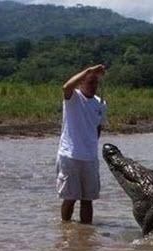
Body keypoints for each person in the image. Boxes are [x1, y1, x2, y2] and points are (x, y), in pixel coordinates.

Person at [56, 64, 107, 223]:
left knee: (88, 200)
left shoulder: (101, 103)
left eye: (95, 83)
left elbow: (98, 128)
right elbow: (66, 87)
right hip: (70, 155)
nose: (93, 86)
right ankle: (65, 228)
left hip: (90, 157)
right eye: (90, 82)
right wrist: (90, 70)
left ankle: (85, 235)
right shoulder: (74, 98)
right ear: (81, 82)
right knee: (70, 198)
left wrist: (90, 147)